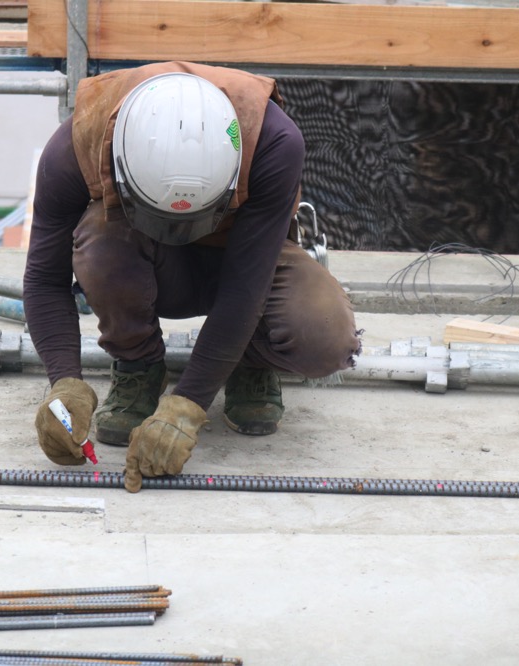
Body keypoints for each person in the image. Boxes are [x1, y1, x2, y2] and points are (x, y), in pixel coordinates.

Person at [23, 61, 361, 493]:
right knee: (100, 239)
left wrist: (187, 405)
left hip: (244, 256)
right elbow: (45, 278)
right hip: (141, 256)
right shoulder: (78, 143)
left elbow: (246, 289)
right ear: (122, 168)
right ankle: (138, 364)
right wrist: (64, 382)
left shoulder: (274, 141)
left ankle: (248, 361)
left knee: (324, 337)